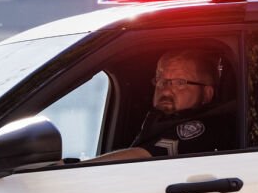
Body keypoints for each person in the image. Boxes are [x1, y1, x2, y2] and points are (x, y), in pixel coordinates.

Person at [94, 48, 235, 161]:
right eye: (161, 81)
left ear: (207, 94)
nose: (166, 90)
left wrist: (80, 169)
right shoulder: (162, 121)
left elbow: (143, 157)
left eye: (180, 83)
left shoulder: (202, 129)